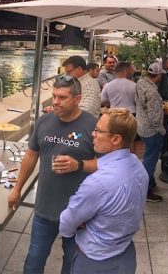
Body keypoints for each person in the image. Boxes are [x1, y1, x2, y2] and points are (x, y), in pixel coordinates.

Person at [8, 76, 97, 274]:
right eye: (54, 96)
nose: (55, 102)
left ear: (77, 99)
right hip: (45, 208)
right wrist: (17, 188)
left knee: (72, 262)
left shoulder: (92, 126)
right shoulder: (44, 121)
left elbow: (104, 166)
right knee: (34, 260)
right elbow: (31, 156)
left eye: (62, 97)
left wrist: (79, 164)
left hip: (78, 212)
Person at [59, 109, 148, 273]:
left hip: (95, 262)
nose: (93, 134)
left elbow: (66, 223)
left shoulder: (98, 183)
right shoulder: (138, 166)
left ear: (115, 139)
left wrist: (80, 218)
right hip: (126, 253)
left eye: (98, 130)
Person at [135, 62, 166, 203]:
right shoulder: (152, 92)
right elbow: (155, 118)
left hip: (141, 126)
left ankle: (150, 183)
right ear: (158, 75)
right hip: (151, 130)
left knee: (148, 157)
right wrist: (161, 130)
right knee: (150, 161)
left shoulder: (140, 83)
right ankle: (145, 191)